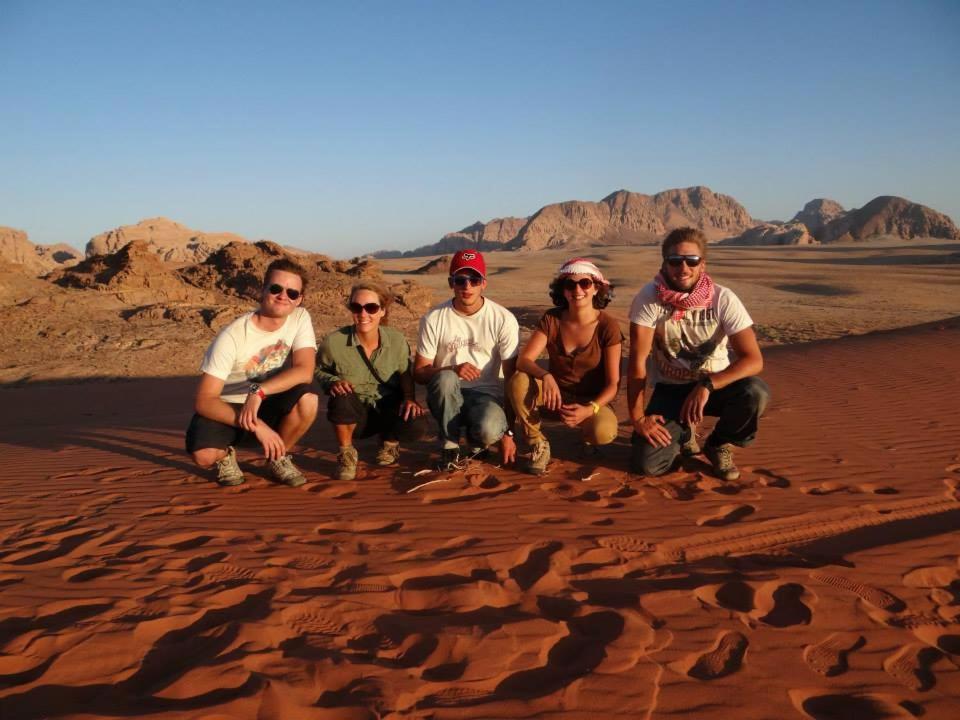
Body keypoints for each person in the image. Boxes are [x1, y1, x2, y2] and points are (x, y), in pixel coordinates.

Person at [627, 227, 770, 481]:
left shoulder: (722, 299)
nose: (683, 267)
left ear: (702, 264)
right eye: (675, 260)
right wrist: (638, 418)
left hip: (715, 387)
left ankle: (718, 443)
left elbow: (753, 359)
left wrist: (707, 385)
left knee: (755, 392)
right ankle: (683, 432)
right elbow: (637, 362)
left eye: (691, 260)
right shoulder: (649, 299)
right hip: (671, 390)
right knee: (649, 464)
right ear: (665, 263)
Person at [185, 258, 319, 487]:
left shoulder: (299, 318)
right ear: (262, 290)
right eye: (276, 288)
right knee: (204, 456)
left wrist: (259, 392)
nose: (283, 296)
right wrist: (258, 426)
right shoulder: (232, 337)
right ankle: (226, 456)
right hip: (228, 406)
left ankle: (277, 457)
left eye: (292, 293)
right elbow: (205, 400)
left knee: (308, 400)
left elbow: (305, 371)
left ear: (300, 299)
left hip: (264, 400)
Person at [508, 258, 622, 475]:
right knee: (519, 380)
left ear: (597, 288)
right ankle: (537, 443)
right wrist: (546, 376)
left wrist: (590, 408)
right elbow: (524, 360)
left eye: (585, 283)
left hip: (592, 402)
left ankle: (588, 438)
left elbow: (613, 384)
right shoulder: (552, 319)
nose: (577, 290)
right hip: (555, 397)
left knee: (603, 432)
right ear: (563, 290)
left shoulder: (608, 326)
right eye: (570, 284)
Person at [414, 249, 519, 469]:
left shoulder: (503, 319)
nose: (467, 286)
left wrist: (508, 431)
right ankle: (449, 444)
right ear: (451, 282)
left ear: (484, 283)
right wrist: (452, 368)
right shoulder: (434, 318)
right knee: (445, 379)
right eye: (460, 280)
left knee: (489, 428)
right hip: (447, 396)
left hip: (487, 395)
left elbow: (512, 378)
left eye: (474, 279)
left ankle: (477, 441)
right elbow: (420, 372)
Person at [315, 282, 428, 480]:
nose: (363, 313)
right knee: (340, 396)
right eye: (356, 307)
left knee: (416, 424)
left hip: (387, 408)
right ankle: (347, 454)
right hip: (354, 412)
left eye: (371, 308)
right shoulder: (334, 342)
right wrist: (332, 381)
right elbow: (317, 369)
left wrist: (410, 398)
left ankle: (389, 442)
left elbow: (404, 373)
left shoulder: (397, 340)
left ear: (382, 311)